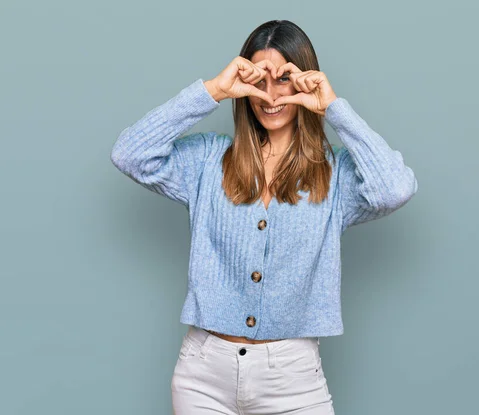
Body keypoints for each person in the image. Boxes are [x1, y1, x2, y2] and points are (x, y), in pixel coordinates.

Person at [110, 19, 417, 415]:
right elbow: (129, 154)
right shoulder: (207, 160)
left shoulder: (336, 174)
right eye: (260, 80)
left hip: (293, 378)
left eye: (284, 79)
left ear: (305, 80)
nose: (270, 95)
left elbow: (396, 188)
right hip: (203, 375)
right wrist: (215, 90)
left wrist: (334, 108)